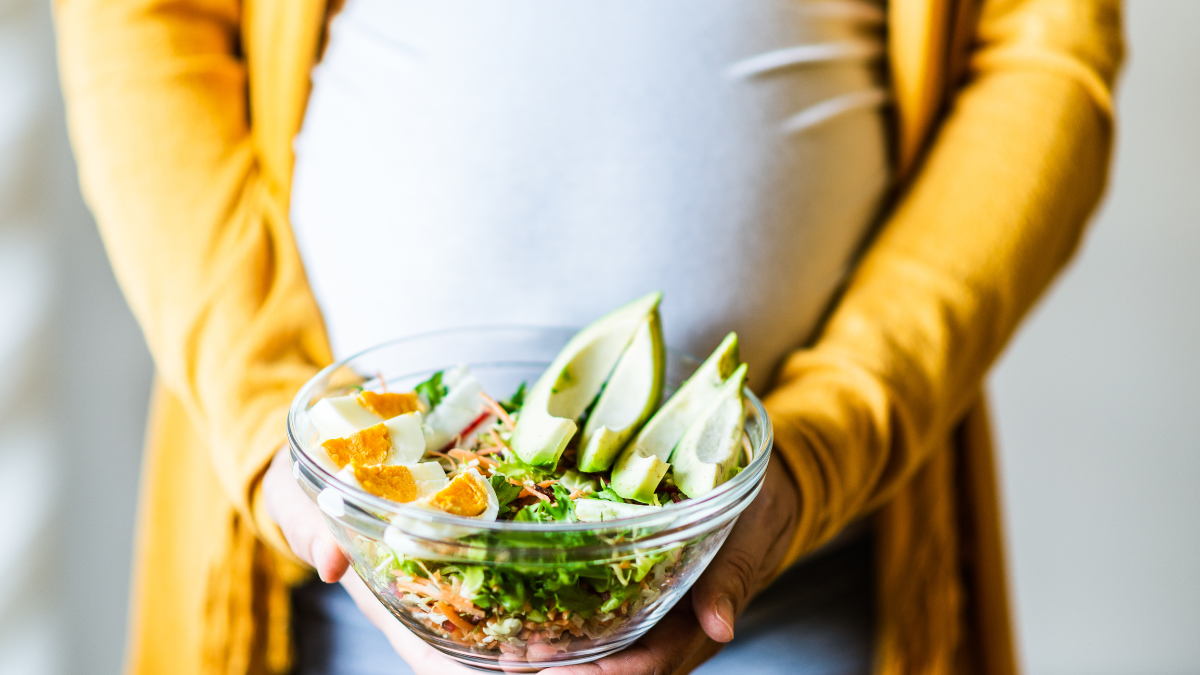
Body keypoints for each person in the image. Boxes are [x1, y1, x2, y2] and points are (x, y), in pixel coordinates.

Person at [54, 0, 1122, 674]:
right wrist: (267, 430)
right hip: (342, 597)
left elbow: (1043, 45)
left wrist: (823, 445)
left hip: (801, 594)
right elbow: (136, 19)